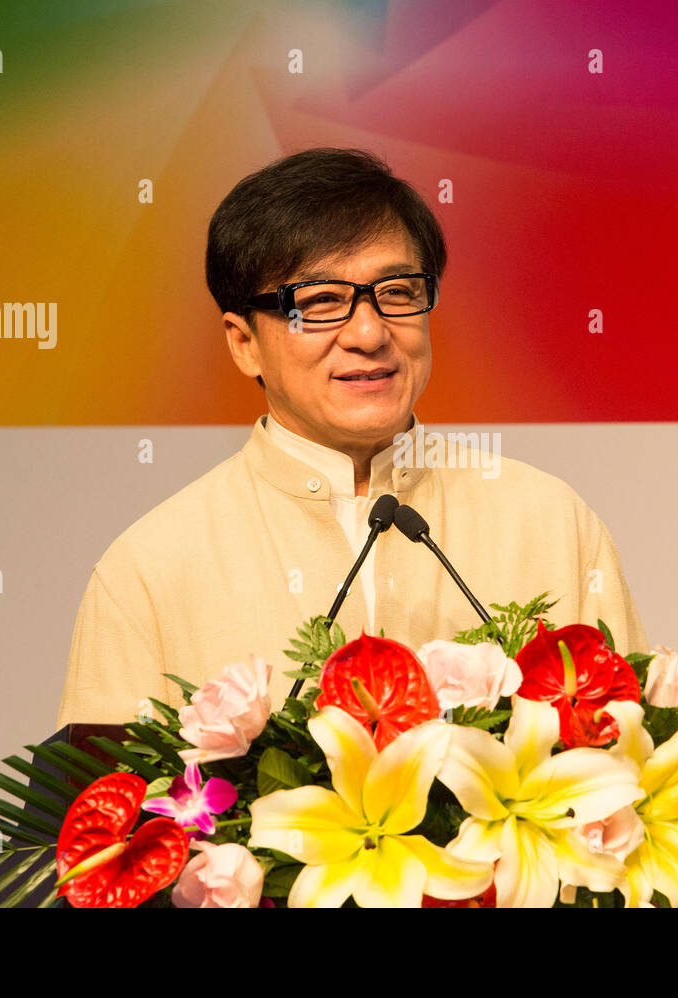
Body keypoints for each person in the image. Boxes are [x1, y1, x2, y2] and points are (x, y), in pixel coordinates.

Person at [56, 148, 648, 727]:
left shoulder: (549, 522)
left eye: (397, 292)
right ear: (244, 343)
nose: (369, 332)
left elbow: (634, 768)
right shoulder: (149, 569)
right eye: (320, 302)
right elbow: (107, 813)